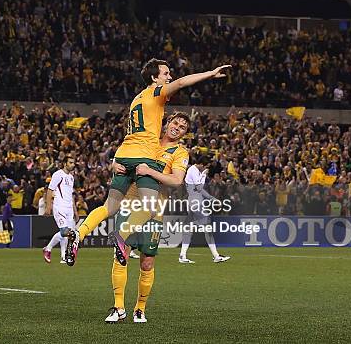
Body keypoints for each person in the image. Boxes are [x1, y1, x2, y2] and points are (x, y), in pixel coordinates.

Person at [66, 58, 231, 266]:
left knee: (108, 207)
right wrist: (210, 73)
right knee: (151, 207)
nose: (169, 77)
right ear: (154, 78)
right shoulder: (156, 92)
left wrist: (114, 162)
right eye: (165, 74)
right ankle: (121, 236)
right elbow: (181, 83)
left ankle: (79, 234)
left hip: (124, 153)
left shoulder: (137, 99)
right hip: (142, 156)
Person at [104, 111, 190, 324]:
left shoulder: (179, 152)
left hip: (153, 209)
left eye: (182, 127)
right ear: (167, 122)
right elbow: (119, 160)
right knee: (120, 253)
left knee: (147, 262)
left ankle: (140, 309)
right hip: (129, 203)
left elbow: (177, 180)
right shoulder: (147, 141)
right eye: (175, 123)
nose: (176, 128)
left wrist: (150, 172)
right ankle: (118, 307)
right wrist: (113, 165)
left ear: (184, 134)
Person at [179, 156, 231, 264]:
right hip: (195, 202)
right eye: (205, 166)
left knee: (189, 229)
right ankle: (216, 256)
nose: (206, 168)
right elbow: (198, 188)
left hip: (194, 201)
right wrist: (203, 175)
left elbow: (200, 190)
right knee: (207, 227)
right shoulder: (193, 170)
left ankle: (182, 255)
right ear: (202, 164)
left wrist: (211, 198)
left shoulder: (196, 171)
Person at [43, 157, 78, 264]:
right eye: (70, 163)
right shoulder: (58, 175)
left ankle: (63, 256)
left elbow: (71, 195)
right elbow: (50, 190)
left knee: (68, 234)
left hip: (69, 208)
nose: (73, 165)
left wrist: (75, 211)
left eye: (73, 163)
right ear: (64, 163)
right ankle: (48, 248)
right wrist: (48, 206)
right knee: (64, 231)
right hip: (59, 207)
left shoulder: (71, 177)